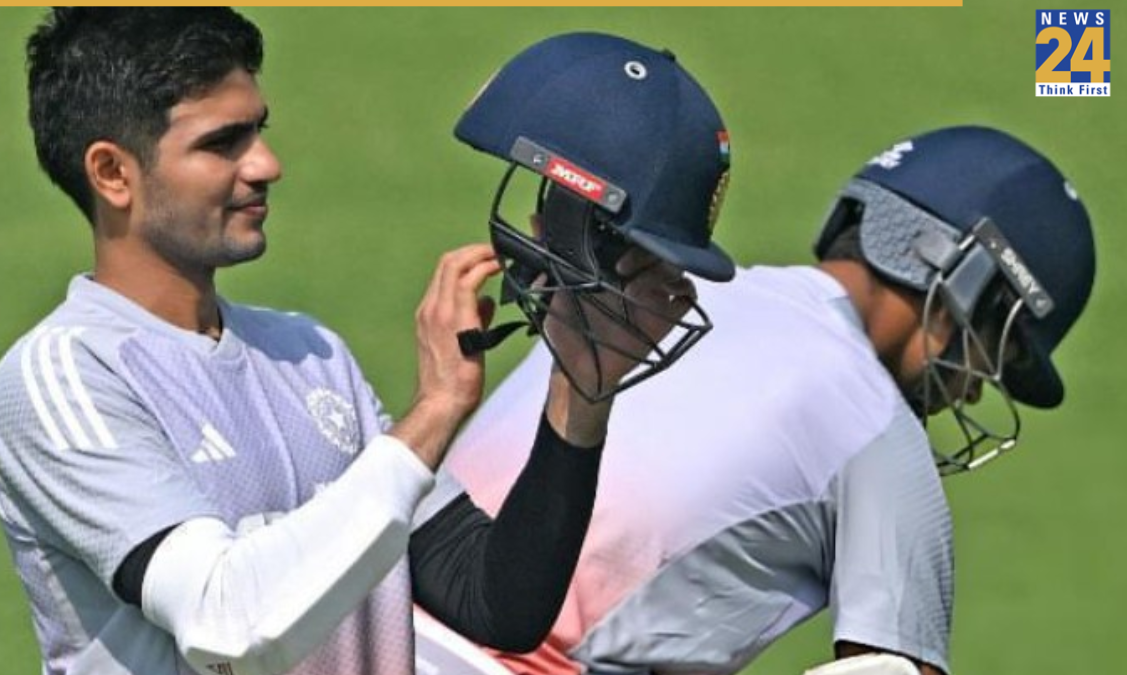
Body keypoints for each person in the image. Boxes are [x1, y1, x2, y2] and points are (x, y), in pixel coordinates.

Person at [0, 11, 731, 675]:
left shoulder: (309, 354)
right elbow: (227, 621)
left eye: (259, 130)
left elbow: (494, 598)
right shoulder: (64, 377)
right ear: (113, 172)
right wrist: (432, 414)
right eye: (222, 143)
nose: (266, 164)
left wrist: (582, 389)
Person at [442, 125, 1096, 675]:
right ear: (964, 283)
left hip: (370, 623)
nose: (977, 385)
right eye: (998, 353)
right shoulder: (881, 432)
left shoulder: (645, 296)